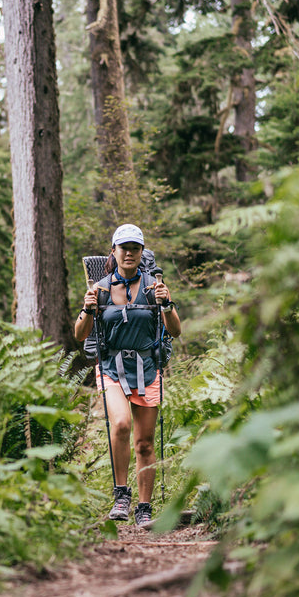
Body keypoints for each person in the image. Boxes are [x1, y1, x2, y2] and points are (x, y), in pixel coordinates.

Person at [73, 223, 182, 526]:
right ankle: (121, 495)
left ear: (142, 252)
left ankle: (143, 509)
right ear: (114, 252)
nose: (130, 253)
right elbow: (80, 334)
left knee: (144, 443)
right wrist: (87, 307)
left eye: (135, 248)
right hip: (111, 368)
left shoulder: (154, 286)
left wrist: (167, 303)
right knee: (121, 424)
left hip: (148, 369)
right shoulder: (101, 289)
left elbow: (175, 330)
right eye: (124, 248)